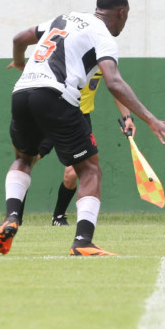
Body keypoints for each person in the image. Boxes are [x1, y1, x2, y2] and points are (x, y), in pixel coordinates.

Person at [0, 0, 165, 256]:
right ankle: (83, 241)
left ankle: (11, 216)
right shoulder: (102, 35)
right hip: (56, 96)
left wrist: (18, 61)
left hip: (22, 93)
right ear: (122, 13)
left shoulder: (63, 19)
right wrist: (151, 119)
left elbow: (19, 38)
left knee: (24, 158)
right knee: (90, 169)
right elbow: (114, 82)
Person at [32, 73, 136, 227]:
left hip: (79, 119)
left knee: (72, 172)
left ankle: (58, 217)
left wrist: (127, 118)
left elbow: (116, 89)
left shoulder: (103, 60)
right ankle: (13, 215)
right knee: (30, 158)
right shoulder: (69, 55)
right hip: (53, 113)